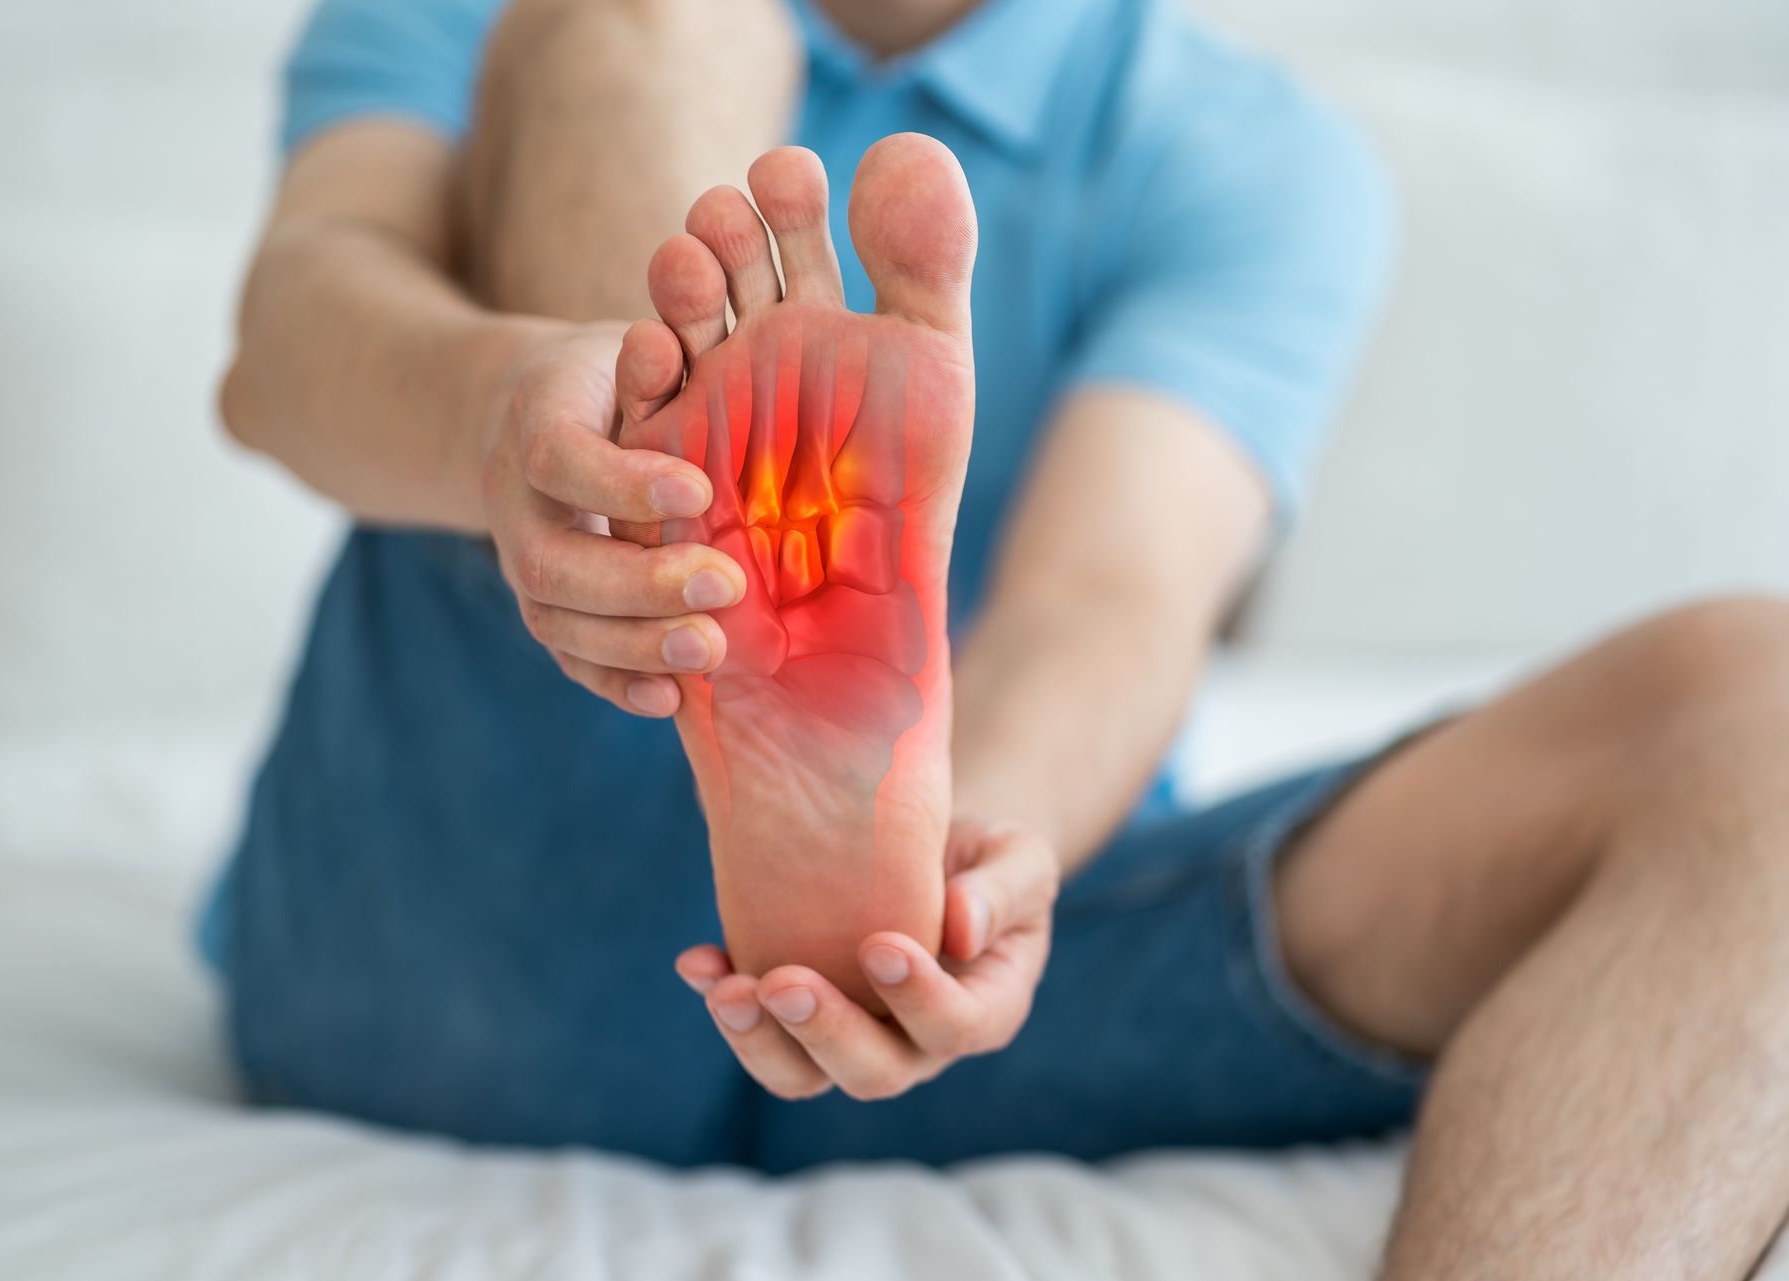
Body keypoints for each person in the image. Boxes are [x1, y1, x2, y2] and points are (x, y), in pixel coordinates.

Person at [209, 0, 1789, 1274]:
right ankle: (682, 552)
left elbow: (1108, 598)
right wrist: (509, 419)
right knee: (638, 23)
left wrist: (979, 856)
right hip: (468, 914)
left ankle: (846, 837)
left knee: (1764, 714)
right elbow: (288, 343)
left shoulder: (1241, 149)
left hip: (983, 996)